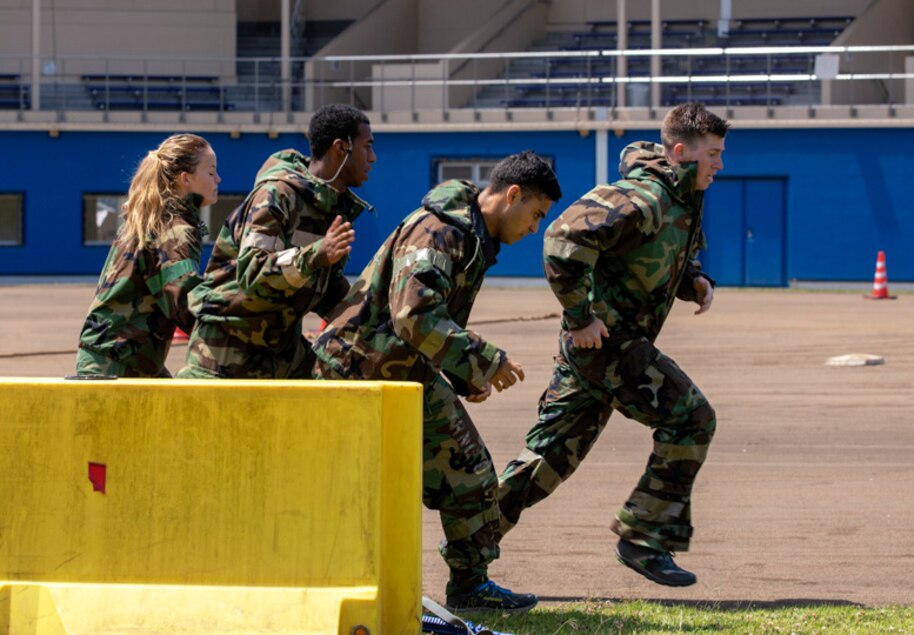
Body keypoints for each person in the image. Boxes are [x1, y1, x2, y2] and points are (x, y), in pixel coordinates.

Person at [312, 151, 562, 613]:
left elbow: (438, 318)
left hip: (400, 372)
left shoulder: (472, 237)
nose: (535, 227)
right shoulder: (440, 231)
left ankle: (469, 587)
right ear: (512, 196)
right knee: (369, 488)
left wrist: (464, 377)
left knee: (468, 473)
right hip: (356, 373)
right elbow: (415, 316)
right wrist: (486, 361)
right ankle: (342, 585)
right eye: (536, 214)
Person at [496, 103, 727, 587]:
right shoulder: (642, 196)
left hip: (604, 348)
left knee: (549, 461)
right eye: (712, 154)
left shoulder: (683, 198)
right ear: (682, 152)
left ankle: (467, 545)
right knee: (691, 417)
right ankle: (645, 537)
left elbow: (659, 256)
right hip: (609, 345)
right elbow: (562, 240)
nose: (720, 165)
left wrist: (694, 282)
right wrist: (580, 316)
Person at [177, 103, 375, 379]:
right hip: (224, 356)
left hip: (279, 355)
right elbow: (253, 271)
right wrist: (317, 253)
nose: (373, 158)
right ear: (341, 148)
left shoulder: (330, 209)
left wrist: (374, 316)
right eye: (367, 147)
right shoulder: (276, 196)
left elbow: (326, 289)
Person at [76, 133, 219, 377]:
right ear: (185, 178)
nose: (218, 179)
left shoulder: (152, 218)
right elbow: (184, 299)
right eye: (211, 172)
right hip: (119, 363)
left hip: (116, 356)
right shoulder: (175, 229)